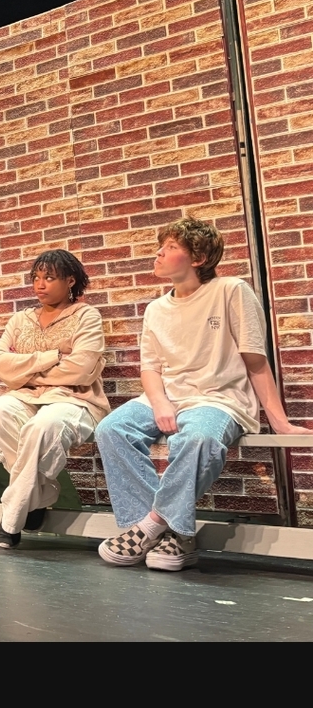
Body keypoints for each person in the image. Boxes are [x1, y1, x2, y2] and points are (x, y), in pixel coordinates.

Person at [95, 217, 311, 571]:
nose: (159, 253)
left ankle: (151, 526)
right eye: (161, 246)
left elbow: (256, 362)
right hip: (167, 396)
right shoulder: (155, 309)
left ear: (198, 257)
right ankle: (172, 535)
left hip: (218, 400)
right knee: (111, 429)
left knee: (198, 437)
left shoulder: (231, 290)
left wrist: (280, 422)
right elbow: (150, 368)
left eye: (171, 247)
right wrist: (161, 402)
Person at [0, 249, 110, 549]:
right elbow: (0, 362)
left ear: (70, 281)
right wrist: (49, 358)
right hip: (26, 396)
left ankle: (13, 515)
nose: (40, 285)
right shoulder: (20, 319)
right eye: (36, 278)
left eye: (49, 278)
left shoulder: (85, 316)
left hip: (75, 401)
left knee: (43, 426)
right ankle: (36, 498)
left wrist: (24, 370)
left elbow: (82, 370)